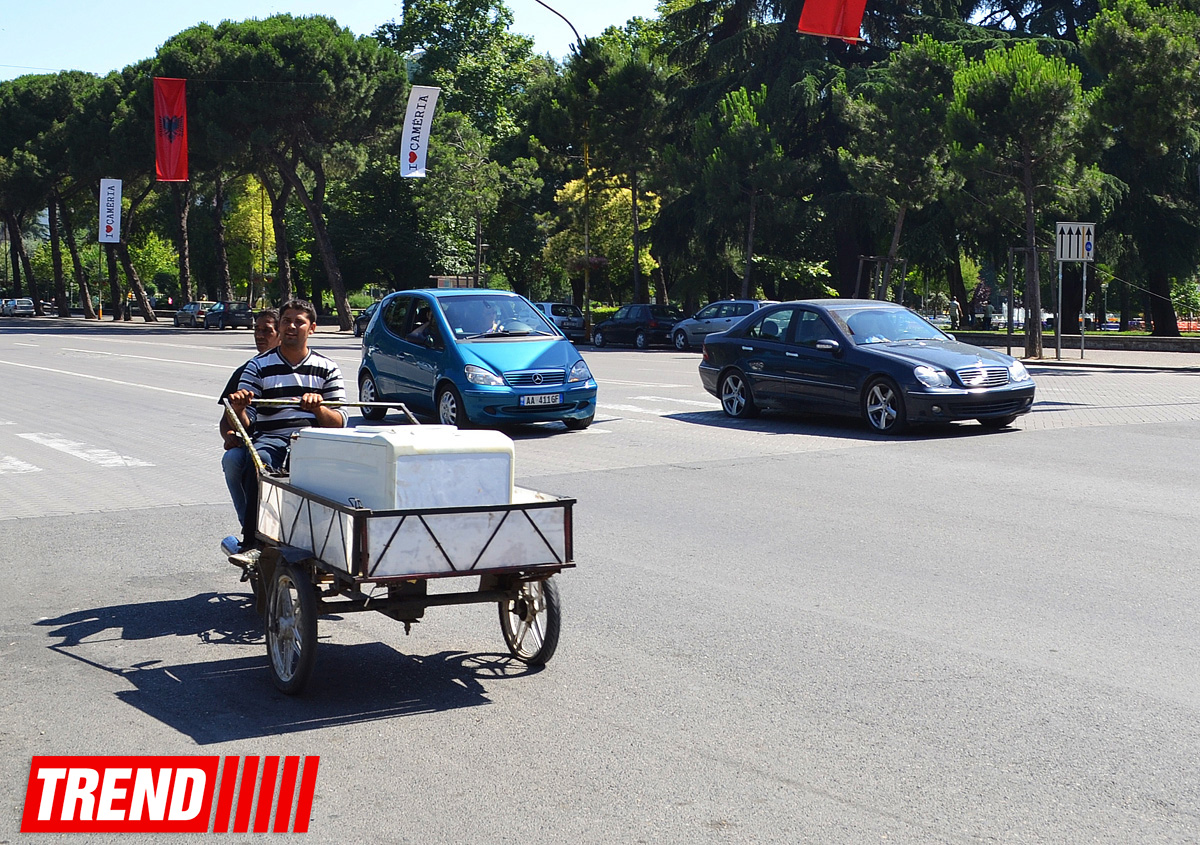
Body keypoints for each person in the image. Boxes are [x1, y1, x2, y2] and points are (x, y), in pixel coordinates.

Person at [227, 299, 347, 563]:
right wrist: (239, 408)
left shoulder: (328, 368)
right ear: (280, 327)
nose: (291, 326)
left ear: (312, 328)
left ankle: (339, 538)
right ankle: (252, 542)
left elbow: (340, 421)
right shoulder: (258, 366)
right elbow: (247, 424)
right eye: (286, 321)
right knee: (259, 463)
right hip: (271, 439)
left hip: (315, 441)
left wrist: (318, 409)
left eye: (299, 321)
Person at [218, 309, 280, 528]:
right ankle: (250, 529)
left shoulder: (312, 366)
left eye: (267, 330)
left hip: (292, 442)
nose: (260, 335)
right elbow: (227, 418)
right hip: (256, 442)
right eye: (257, 329)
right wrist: (229, 435)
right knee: (233, 460)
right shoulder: (248, 369)